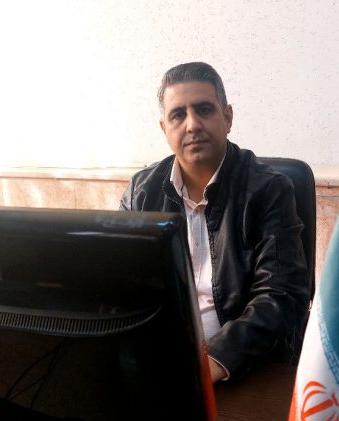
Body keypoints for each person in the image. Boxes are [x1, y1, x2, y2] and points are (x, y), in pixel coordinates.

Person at [120, 62, 309, 383]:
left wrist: (214, 361)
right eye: (178, 115)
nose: (192, 125)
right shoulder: (142, 192)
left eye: (204, 109)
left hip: (242, 367)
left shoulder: (268, 189)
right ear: (164, 128)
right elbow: (122, 285)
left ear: (228, 117)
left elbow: (281, 295)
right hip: (163, 362)